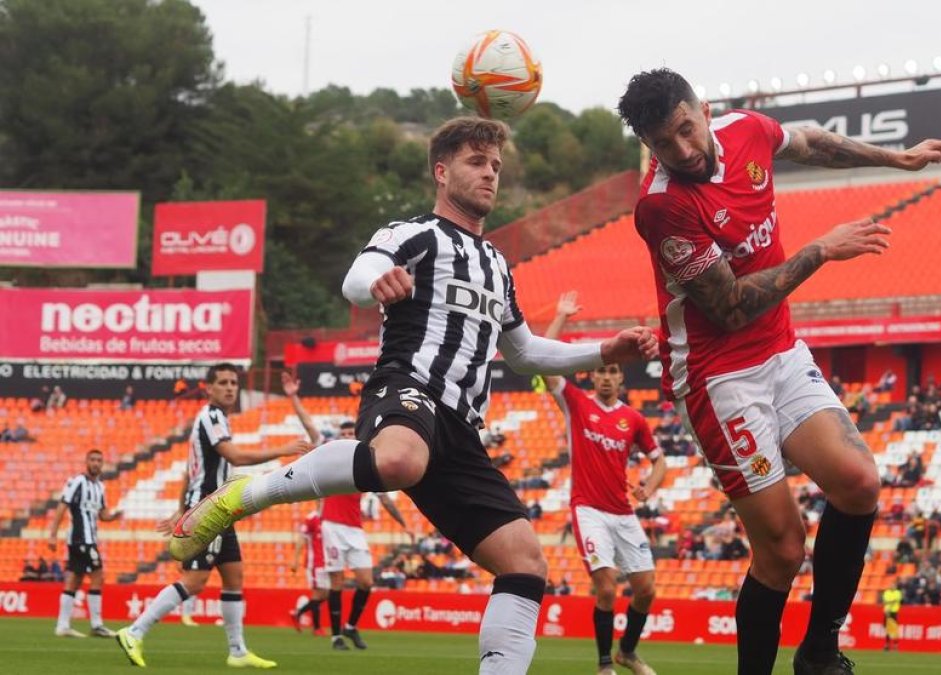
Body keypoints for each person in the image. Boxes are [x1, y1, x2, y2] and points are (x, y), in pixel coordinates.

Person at [168, 117, 657, 674]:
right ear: (442, 171)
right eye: (477, 162)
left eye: (496, 165)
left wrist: (606, 351)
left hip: (462, 430)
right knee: (399, 460)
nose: (490, 174)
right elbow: (359, 275)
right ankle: (241, 496)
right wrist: (375, 283)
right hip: (407, 386)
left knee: (525, 562)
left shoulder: (498, 266)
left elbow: (525, 354)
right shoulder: (414, 234)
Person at [618, 67, 941, 675]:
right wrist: (820, 250)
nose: (684, 150)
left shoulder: (746, 128)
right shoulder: (662, 206)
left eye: (687, 130)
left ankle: (820, 650)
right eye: (665, 143)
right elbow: (732, 307)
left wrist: (896, 159)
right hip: (720, 376)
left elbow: (812, 142)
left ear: (706, 108)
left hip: (782, 351)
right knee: (782, 549)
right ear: (649, 145)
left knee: (859, 483)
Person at [116, 365, 312, 669]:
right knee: (194, 581)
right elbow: (234, 457)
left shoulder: (217, 419)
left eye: (233, 382)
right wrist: (283, 449)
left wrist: (181, 508)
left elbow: (189, 469)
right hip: (207, 510)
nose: (230, 388)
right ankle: (134, 630)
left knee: (234, 577)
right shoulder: (211, 416)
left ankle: (237, 651)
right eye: (222, 383)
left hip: (219, 507)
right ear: (209, 388)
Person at [542, 291, 667, 675]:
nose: (608, 377)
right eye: (602, 371)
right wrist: (561, 316)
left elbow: (659, 460)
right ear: (593, 374)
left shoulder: (634, 419)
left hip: (623, 512)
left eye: (614, 371)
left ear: (620, 377)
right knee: (608, 587)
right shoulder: (577, 403)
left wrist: (650, 486)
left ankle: (627, 653)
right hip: (589, 509)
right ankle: (602, 665)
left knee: (646, 590)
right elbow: (544, 362)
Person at [319, 423, 409, 651]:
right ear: (339, 438)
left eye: (351, 434)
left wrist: (404, 524)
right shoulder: (329, 462)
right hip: (332, 526)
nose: (348, 437)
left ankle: (350, 626)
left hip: (355, 529)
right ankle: (336, 636)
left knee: (366, 581)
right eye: (344, 434)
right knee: (337, 582)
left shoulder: (366, 465)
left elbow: (385, 499)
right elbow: (311, 431)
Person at [47, 448, 122, 637]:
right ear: (86, 462)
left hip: (89, 538)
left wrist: (113, 517)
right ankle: (96, 625)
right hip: (80, 538)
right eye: (93, 460)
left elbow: (102, 514)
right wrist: (53, 534)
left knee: (75, 579)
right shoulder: (77, 482)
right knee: (98, 574)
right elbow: (62, 506)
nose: (96, 463)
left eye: (99, 460)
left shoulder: (100, 487)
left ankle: (62, 626)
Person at [291, 509, 328, 636]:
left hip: (327, 562)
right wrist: (295, 559)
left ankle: (298, 613)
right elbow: (302, 539)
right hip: (315, 563)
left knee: (327, 594)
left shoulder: (329, 517)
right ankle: (317, 628)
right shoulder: (311, 518)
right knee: (318, 595)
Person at [881, 580, 902, 652]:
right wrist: (891, 601)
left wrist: (889, 602)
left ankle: (895, 645)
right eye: (891, 585)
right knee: (888, 629)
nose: (892, 586)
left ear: (896, 586)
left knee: (894, 628)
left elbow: (895, 600)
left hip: (894, 612)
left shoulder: (898, 592)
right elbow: (885, 601)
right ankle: (887, 644)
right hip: (887, 612)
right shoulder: (887, 592)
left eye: (893, 585)